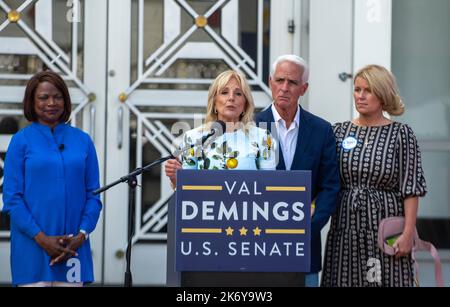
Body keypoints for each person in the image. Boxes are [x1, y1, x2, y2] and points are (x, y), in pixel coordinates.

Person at [321, 64, 427, 287]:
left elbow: (412, 188)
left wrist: (408, 234)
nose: (360, 96)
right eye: (357, 90)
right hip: (345, 230)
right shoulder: (338, 131)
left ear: (383, 94)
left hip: (385, 231)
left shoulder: (401, 134)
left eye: (367, 90)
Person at [2, 70, 102, 287]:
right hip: (32, 248)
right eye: (43, 97)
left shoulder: (82, 141)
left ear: (65, 101)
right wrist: (41, 238)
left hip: (73, 248)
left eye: (57, 97)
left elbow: (93, 195)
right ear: (32, 101)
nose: (51, 103)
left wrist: (82, 235)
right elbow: (12, 198)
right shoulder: (21, 141)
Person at [255, 55, 340, 287]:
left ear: (304, 88)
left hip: (304, 249)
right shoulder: (251, 126)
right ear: (270, 81)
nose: (284, 88)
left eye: (292, 82)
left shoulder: (322, 130)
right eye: (279, 80)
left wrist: (309, 228)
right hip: (257, 246)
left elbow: (330, 186)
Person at [165, 70, 276, 186]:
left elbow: (269, 187)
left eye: (238, 93)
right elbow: (185, 191)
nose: (231, 98)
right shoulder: (194, 138)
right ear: (214, 102)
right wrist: (175, 177)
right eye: (224, 92)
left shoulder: (262, 137)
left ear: (245, 105)